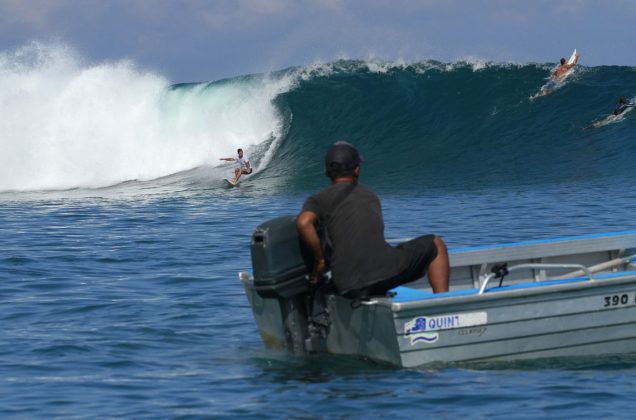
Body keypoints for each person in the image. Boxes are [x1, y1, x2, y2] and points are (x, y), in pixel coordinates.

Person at [296, 141, 450, 299]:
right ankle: (444, 306)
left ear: (326, 172)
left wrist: (319, 261)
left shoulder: (318, 199)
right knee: (435, 244)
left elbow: (303, 222)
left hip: (347, 285)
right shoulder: (370, 195)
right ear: (357, 170)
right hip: (384, 274)